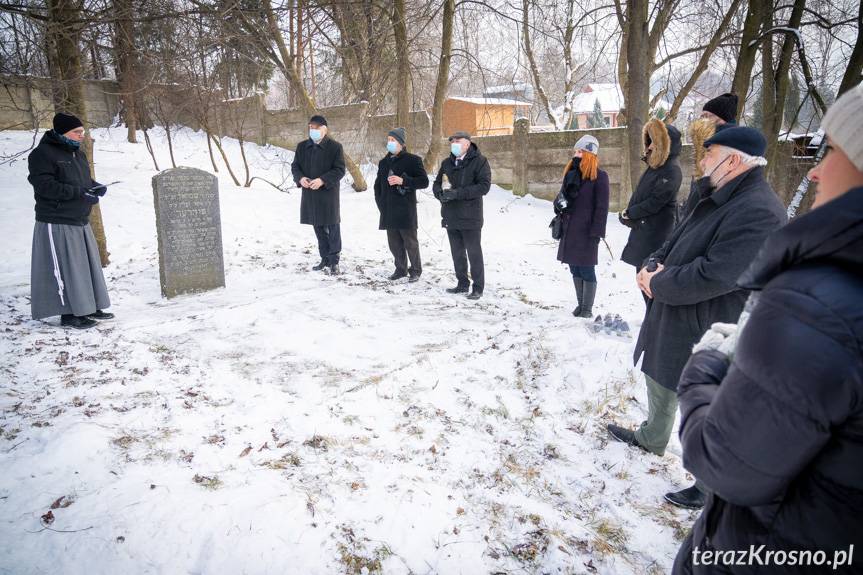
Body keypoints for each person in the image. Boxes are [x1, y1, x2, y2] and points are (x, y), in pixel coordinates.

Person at [671, 83, 863, 575]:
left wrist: (702, 369)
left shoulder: (817, 302)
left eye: (833, 151)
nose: (816, 169)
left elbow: (727, 463)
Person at [606, 127, 787, 511]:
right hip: (679, 309)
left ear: (734, 160)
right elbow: (677, 237)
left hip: (713, 322)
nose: (702, 161)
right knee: (659, 373)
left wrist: (659, 283)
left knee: (707, 401)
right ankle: (652, 438)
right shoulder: (714, 192)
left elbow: (716, 274)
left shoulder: (759, 210)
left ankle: (710, 485)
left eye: (710, 154)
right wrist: (652, 263)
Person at [28, 112, 112, 330]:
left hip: (79, 219)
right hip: (56, 220)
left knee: (85, 266)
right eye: (77, 132)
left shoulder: (78, 154)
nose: (81, 136)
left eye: (82, 132)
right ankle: (69, 314)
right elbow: (45, 186)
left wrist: (94, 186)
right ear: (62, 132)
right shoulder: (42, 154)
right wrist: (79, 193)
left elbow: (81, 181)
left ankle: (89, 306)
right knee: (65, 268)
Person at [554, 135, 610, 318]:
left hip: (586, 232)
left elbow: (602, 208)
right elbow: (562, 196)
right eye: (576, 151)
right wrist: (558, 204)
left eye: (580, 151)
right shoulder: (571, 173)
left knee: (586, 268)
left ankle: (587, 309)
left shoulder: (600, 177)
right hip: (569, 229)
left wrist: (597, 233)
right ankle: (580, 305)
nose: (576, 155)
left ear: (589, 154)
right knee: (574, 267)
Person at [619, 118, 683, 279]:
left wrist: (630, 213)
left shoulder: (672, 170)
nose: (650, 146)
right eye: (650, 142)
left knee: (650, 285)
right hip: (645, 233)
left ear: (665, 145)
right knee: (642, 280)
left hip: (655, 237)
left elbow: (656, 202)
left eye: (654, 142)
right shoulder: (656, 167)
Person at [432, 131, 491, 300]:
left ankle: (478, 287)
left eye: (458, 141)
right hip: (451, 215)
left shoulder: (480, 161)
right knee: (457, 253)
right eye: (452, 141)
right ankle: (462, 283)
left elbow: (484, 187)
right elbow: (437, 183)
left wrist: (457, 194)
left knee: (474, 253)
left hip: (471, 216)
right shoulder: (447, 163)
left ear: (467, 144)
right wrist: (440, 194)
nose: (454, 144)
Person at [291, 114, 346, 275]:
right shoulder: (302, 147)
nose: (312, 131)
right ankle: (325, 258)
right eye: (310, 128)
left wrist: (322, 180)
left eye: (316, 128)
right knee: (318, 227)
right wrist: (300, 178)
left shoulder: (335, 147)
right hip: (310, 195)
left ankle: (334, 260)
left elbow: (339, 170)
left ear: (324, 129)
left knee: (332, 226)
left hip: (328, 194)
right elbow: (295, 167)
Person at [373, 127, 429, 282]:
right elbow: (377, 186)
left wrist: (403, 181)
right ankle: (400, 269)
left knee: (410, 242)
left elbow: (424, 182)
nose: (389, 143)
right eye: (389, 140)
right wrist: (381, 204)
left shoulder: (413, 160)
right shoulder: (383, 163)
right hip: (388, 210)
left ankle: (416, 270)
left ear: (401, 144)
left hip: (405, 210)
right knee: (394, 243)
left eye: (393, 140)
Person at [678, 93, 739, 222]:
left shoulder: (730, 151)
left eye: (707, 116)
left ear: (723, 119)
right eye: (701, 116)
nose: (702, 121)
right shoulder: (705, 147)